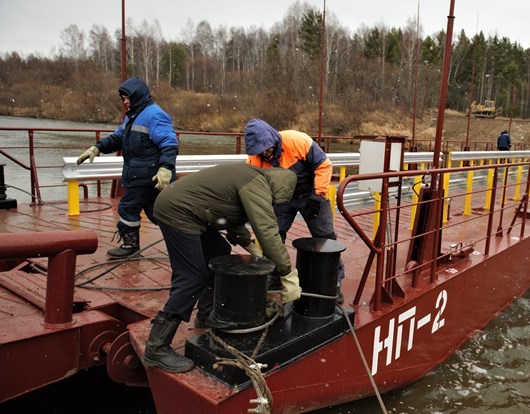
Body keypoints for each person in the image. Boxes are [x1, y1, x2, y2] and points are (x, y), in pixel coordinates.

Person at [142, 163, 299, 373]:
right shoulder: (256, 185)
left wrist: (251, 246)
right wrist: (287, 273)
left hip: (191, 210)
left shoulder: (250, 177)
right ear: (280, 189)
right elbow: (267, 230)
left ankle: (206, 313)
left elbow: (229, 214)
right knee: (192, 276)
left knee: (219, 252)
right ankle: (157, 347)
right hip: (179, 211)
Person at [244, 119, 345, 304]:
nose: (264, 154)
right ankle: (275, 277)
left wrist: (318, 195)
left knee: (326, 237)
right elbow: (252, 185)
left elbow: (324, 165)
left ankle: (334, 283)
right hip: (282, 198)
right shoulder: (254, 161)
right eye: (259, 152)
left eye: (266, 149)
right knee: (272, 236)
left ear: (273, 141)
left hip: (312, 193)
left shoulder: (298, 141)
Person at [76, 77, 178, 259]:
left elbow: (169, 143)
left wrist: (165, 168)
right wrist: (98, 147)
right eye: (123, 98)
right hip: (142, 174)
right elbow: (118, 138)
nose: (124, 102)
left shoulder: (154, 115)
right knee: (159, 213)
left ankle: (130, 246)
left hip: (148, 176)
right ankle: (188, 239)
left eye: (127, 98)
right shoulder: (134, 116)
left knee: (128, 207)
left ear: (137, 96)